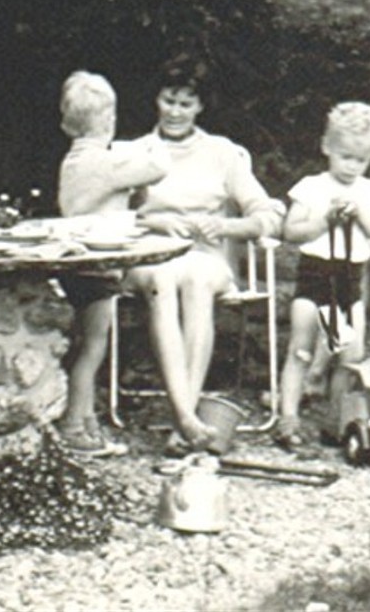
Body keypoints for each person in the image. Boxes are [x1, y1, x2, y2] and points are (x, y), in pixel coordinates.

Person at [124, 56, 284, 455]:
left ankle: (184, 418)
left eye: (186, 103)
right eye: (169, 100)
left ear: (200, 106)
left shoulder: (221, 152)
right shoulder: (136, 152)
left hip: (205, 258)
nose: (176, 112)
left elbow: (268, 215)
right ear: (156, 100)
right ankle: (186, 418)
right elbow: (108, 216)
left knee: (195, 279)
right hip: (151, 257)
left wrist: (225, 227)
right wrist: (154, 222)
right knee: (163, 279)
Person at [55, 71, 171, 456]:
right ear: (108, 120)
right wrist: (148, 144)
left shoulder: (73, 161)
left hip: (75, 261)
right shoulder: (105, 163)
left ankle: (87, 419)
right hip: (98, 265)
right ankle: (74, 425)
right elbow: (158, 167)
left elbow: (129, 196)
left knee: (85, 344)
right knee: (92, 347)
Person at [276, 102, 370, 450]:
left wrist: (361, 215)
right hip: (314, 278)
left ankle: (334, 419)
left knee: (349, 354)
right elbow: (291, 231)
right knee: (300, 350)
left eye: (361, 159)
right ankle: (288, 417)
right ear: (327, 147)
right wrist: (325, 219)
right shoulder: (312, 187)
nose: (352, 166)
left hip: (349, 282)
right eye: (345, 156)